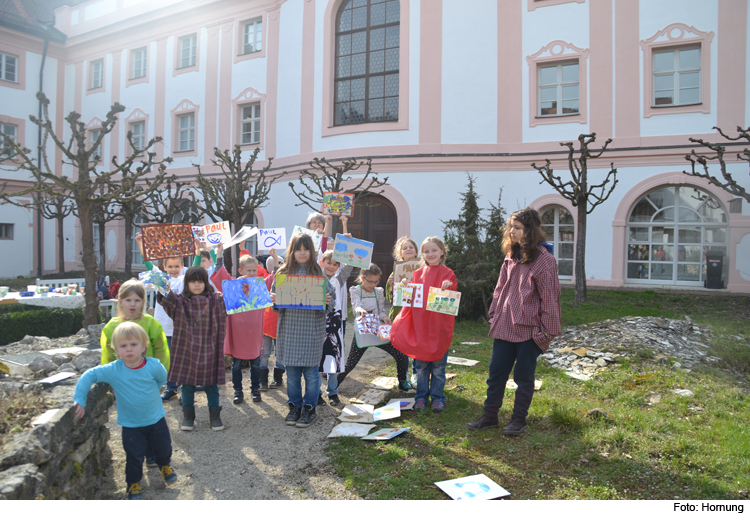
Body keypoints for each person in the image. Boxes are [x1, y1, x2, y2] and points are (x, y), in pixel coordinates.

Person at [466, 207, 561, 435]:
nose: (511, 232)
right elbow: (500, 288)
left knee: (523, 378)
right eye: (510, 227)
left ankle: (519, 420)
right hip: (504, 326)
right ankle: (490, 417)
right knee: (496, 373)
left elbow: (550, 298)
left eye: (517, 228)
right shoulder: (511, 256)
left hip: (529, 331)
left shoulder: (543, 261)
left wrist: (546, 332)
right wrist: (494, 313)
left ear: (530, 230)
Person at [73, 322, 177, 500]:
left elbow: (161, 380)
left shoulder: (153, 365)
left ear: (143, 346)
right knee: (134, 456)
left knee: (163, 448)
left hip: (156, 420)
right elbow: (89, 374)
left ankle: (165, 466)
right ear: (116, 349)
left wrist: (153, 391)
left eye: (134, 345)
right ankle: (133, 484)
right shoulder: (114, 370)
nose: (129, 349)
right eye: (123, 346)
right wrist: (80, 399)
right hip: (131, 425)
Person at [270, 232, 334, 428]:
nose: (302, 252)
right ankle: (295, 406)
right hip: (290, 330)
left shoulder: (318, 274)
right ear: (292, 251)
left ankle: (309, 408)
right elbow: (276, 306)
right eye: (298, 249)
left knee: (312, 374)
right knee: (292, 375)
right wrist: (275, 300)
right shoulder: (282, 274)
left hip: (311, 331)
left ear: (312, 251)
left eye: (306, 249)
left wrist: (327, 301)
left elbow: (331, 302)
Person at [135, 233, 205, 401]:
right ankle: (171, 387)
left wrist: (197, 250)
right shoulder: (161, 278)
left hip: (182, 327)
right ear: (165, 267)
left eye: (177, 266)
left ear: (182, 267)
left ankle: (187, 388)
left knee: (185, 358)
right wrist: (141, 245)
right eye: (170, 266)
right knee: (168, 359)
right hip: (164, 326)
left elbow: (196, 266)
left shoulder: (184, 279)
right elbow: (149, 264)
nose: (173, 270)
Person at [157, 266, 227, 431]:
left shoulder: (215, 300)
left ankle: (215, 416)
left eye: (200, 281)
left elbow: (234, 301)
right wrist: (159, 282)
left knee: (211, 385)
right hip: (186, 349)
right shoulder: (180, 302)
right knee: (187, 385)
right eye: (193, 282)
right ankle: (188, 416)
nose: (197, 285)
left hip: (210, 348)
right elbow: (167, 296)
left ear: (206, 282)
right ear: (186, 283)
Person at [391, 237, 457, 411]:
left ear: (442, 251)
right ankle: (420, 397)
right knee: (420, 368)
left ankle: (437, 397)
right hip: (421, 326)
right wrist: (405, 287)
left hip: (439, 327)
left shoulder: (448, 273)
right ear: (423, 255)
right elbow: (410, 298)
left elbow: (450, 301)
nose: (430, 254)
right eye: (426, 251)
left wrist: (448, 286)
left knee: (438, 367)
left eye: (434, 250)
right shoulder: (418, 274)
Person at [211, 244, 276, 404]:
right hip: (238, 332)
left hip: (254, 333)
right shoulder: (233, 285)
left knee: (255, 363)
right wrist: (219, 254)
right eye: (249, 271)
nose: (252, 273)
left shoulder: (259, 286)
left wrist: (274, 260)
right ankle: (238, 392)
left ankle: (255, 391)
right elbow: (221, 273)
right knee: (237, 364)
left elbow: (273, 278)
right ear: (241, 271)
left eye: (255, 270)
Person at [337, 264, 411, 392]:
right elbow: (356, 307)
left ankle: (402, 382)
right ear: (362, 278)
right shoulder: (356, 290)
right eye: (370, 281)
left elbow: (380, 311)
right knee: (350, 364)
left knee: (399, 355)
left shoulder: (379, 291)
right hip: (363, 332)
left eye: (376, 281)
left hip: (378, 331)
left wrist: (385, 318)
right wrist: (360, 310)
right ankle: (334, 386)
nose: (373, 284)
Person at [319, 245, 353, 405]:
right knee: (317, 359)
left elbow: (350, 264)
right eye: (329, 263)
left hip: (335, 323)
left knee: (333, 357)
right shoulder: (316, 278)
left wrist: (347, 244)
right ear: (322, 262)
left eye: (335, 264)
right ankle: (316, 392)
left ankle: (332, 392)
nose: (331, 266)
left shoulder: (339, 279)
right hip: (317, 322)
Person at [385, 235, 420, 387]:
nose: (408, 249)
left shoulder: (422, 269)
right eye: (405, 248)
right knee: (402, 347)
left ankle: (417, 374)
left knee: (417, 345)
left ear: (416, 251)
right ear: (400, 253)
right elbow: (390, 298)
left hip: (418, 314)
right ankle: (403, 375)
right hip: (400, 314)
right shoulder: (395, 272)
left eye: (411, 247)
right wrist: (390, 284)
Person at [262, 255, 284, 390]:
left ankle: (278, 378)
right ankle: (262, 380)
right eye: (279, 263)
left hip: (280, 322)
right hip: (266, 322)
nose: (281, 265)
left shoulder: (285, 280)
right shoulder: (265, 281)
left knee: (279, 352)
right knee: (264, 352)